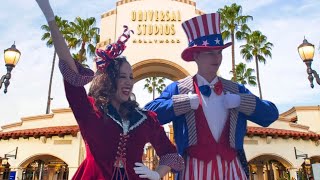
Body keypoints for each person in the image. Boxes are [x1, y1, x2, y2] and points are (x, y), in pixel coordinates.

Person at [35, 0, 184, 179]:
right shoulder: (90, 111)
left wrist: (157, 174)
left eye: (131, 77)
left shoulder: (144, 119)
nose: (128, 82)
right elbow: (70, 69)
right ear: (109, 79)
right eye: (122, 76)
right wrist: (50, 17)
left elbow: (170, 154)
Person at [144, 13, 279, 179]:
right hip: (193, 170)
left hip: (232, 169)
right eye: (210, 53)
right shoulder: (179, 89)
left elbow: (270, 115)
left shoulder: (235, 89)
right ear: (196, 56)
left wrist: (241, 101)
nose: (217, 58)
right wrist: (182, 102)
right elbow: (148, 115)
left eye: (219, 53)